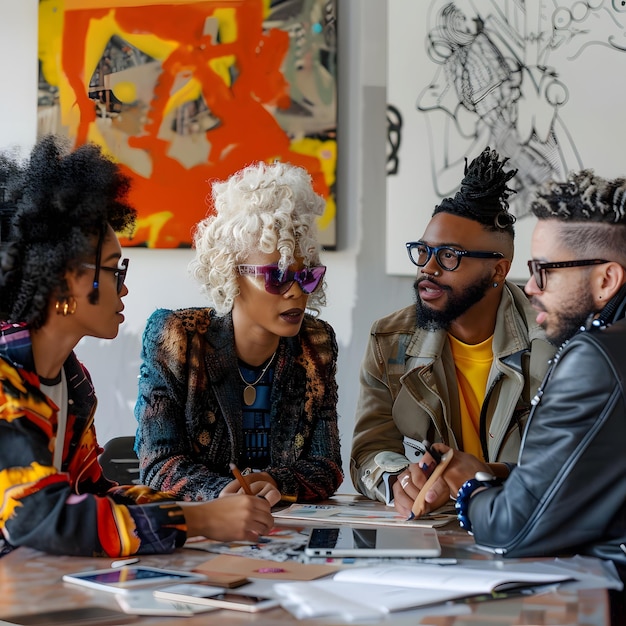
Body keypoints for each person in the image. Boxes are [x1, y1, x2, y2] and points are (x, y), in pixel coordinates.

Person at [0, 135, 279, 558]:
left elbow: (91, 492)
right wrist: (200, 521)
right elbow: (42, 518)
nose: (124, 287)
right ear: (64, 281)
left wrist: (202, 508)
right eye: (113, 270)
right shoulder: (6, 386)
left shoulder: (70, 380)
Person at [426, 169, 626, 597]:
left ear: (606, 279)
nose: (530, 287)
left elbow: (511, 531)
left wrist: (471, 486)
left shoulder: (594, 357)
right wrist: (497, 476)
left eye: (544, 271)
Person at [350, 147, 555, 517]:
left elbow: (573, 465)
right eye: (423, 252)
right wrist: (400, 481)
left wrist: (484, 477)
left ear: (498, 271)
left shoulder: (553, 343)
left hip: (525, 528)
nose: (427, 269)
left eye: (449, 256)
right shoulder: (389, 340)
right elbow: (369, 448)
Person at [134, 161, 342, 503]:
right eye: (276, 277)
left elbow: (326, 466)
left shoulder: (315, 344)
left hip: (282, 532)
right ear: (232, 274)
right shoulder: (177, 338)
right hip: (204, 530)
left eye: (306, 276)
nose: (295, 292)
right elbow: (159, 464)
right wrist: (228, 495)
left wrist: (272, 482)